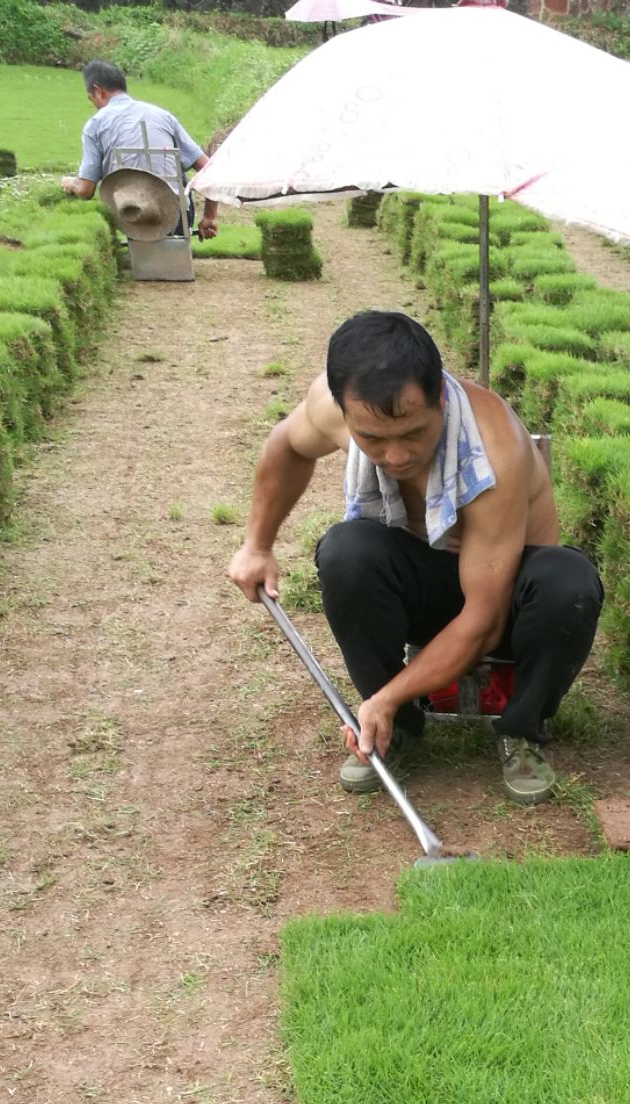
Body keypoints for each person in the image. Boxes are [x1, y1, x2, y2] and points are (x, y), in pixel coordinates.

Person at [226, 310, 603, 806]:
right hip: (425, 581)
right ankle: (393, 729)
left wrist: (389, 692)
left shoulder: (494, 450)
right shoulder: (331, 407)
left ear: (441, 398)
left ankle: (523, 728)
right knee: (347, 552)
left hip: (506, 596)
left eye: (414, 433)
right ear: (343, 410)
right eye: (374, 440)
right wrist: (257, 545)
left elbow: (483, 623)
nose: (397, 456)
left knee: (568, 582)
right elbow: (286, 446)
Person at [59, 61, 217, 240]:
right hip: (177, 216)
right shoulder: (162, 116)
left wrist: (70, 183)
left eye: (91, 98)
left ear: (98, 91)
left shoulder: (95, 124)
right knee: (177, 173)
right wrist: (210, 217)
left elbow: (85, 190)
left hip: (133, 217)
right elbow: (209, 169)